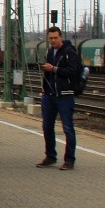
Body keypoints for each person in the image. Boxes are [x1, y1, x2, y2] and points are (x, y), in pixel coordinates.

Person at [37, 26, 80, 170]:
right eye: (50, 38)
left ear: (61, 37)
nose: (53, 40)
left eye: (55, 38)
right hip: (49, 95)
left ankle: (69, 160)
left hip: (65, 95)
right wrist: (44, 90)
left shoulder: (70, 52)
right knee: (47, 127)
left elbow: (74, 71)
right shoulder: (50, 52)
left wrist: (54, 69)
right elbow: (47, 74)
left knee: (68, 128)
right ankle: (50, 156)